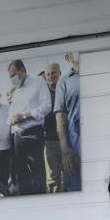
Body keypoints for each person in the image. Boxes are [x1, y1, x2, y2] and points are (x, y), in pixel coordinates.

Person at [6, 59, 50, 195]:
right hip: (18, 138)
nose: (12, 79)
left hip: (33, 135)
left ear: (23, 71)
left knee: (37, 173)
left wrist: (24, 116)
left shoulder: (38, 84)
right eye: (10, 77)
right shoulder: (16, 92)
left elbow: (47, 106)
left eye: (14, 75)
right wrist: (12, 120)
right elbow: (10, 116)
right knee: (22, 174)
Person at [54, 52, 81, 191]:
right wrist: (65, 149)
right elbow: (60, 116)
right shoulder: (64, 82)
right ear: (68, 56)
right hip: (76, 147)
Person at [43, 63, 65, 193]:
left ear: (60, 73)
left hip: (67, 141)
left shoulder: (66, 89)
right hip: (50, 141)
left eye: (53, 73)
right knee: (52, 180)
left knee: (68, 176)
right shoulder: (43, 94)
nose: (50, 76)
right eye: (48, 74)